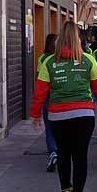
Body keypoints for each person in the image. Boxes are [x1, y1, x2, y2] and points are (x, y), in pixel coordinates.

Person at [30, 21, 97, 192]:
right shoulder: (89, 60)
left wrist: (35, 114)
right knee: (80, 156)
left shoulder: (49, 62)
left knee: (64, 153)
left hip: (58, 115)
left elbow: (40, 92)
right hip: (84, 115)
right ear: (78, 38)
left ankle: (65, 190)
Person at [37, 33, 59, 173]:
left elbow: (39, 79)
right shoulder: (63, 58)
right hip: (61, 96)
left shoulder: (43, 58)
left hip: (48, 97)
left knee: (49, 126)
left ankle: (53, 152)